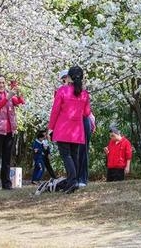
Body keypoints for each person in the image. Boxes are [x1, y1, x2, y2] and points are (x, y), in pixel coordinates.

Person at [48, 65, 92, 194]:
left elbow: (55, 110)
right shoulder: (84, 94)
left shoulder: (62, 90)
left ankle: (72, 181)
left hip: (63, 128)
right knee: (74, 156)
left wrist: (51, 128)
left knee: (66, 155)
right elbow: (86, 112)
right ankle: (74, 181)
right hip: (77, 130)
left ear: (69, 77)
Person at [0, 74, 25, 191]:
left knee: (7, 158)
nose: (1, 85)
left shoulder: (8, 94)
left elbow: (19, 102)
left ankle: (6, 184)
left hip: (9, 131)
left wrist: (18, 92)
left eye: (3, 83)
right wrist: (8, 97)